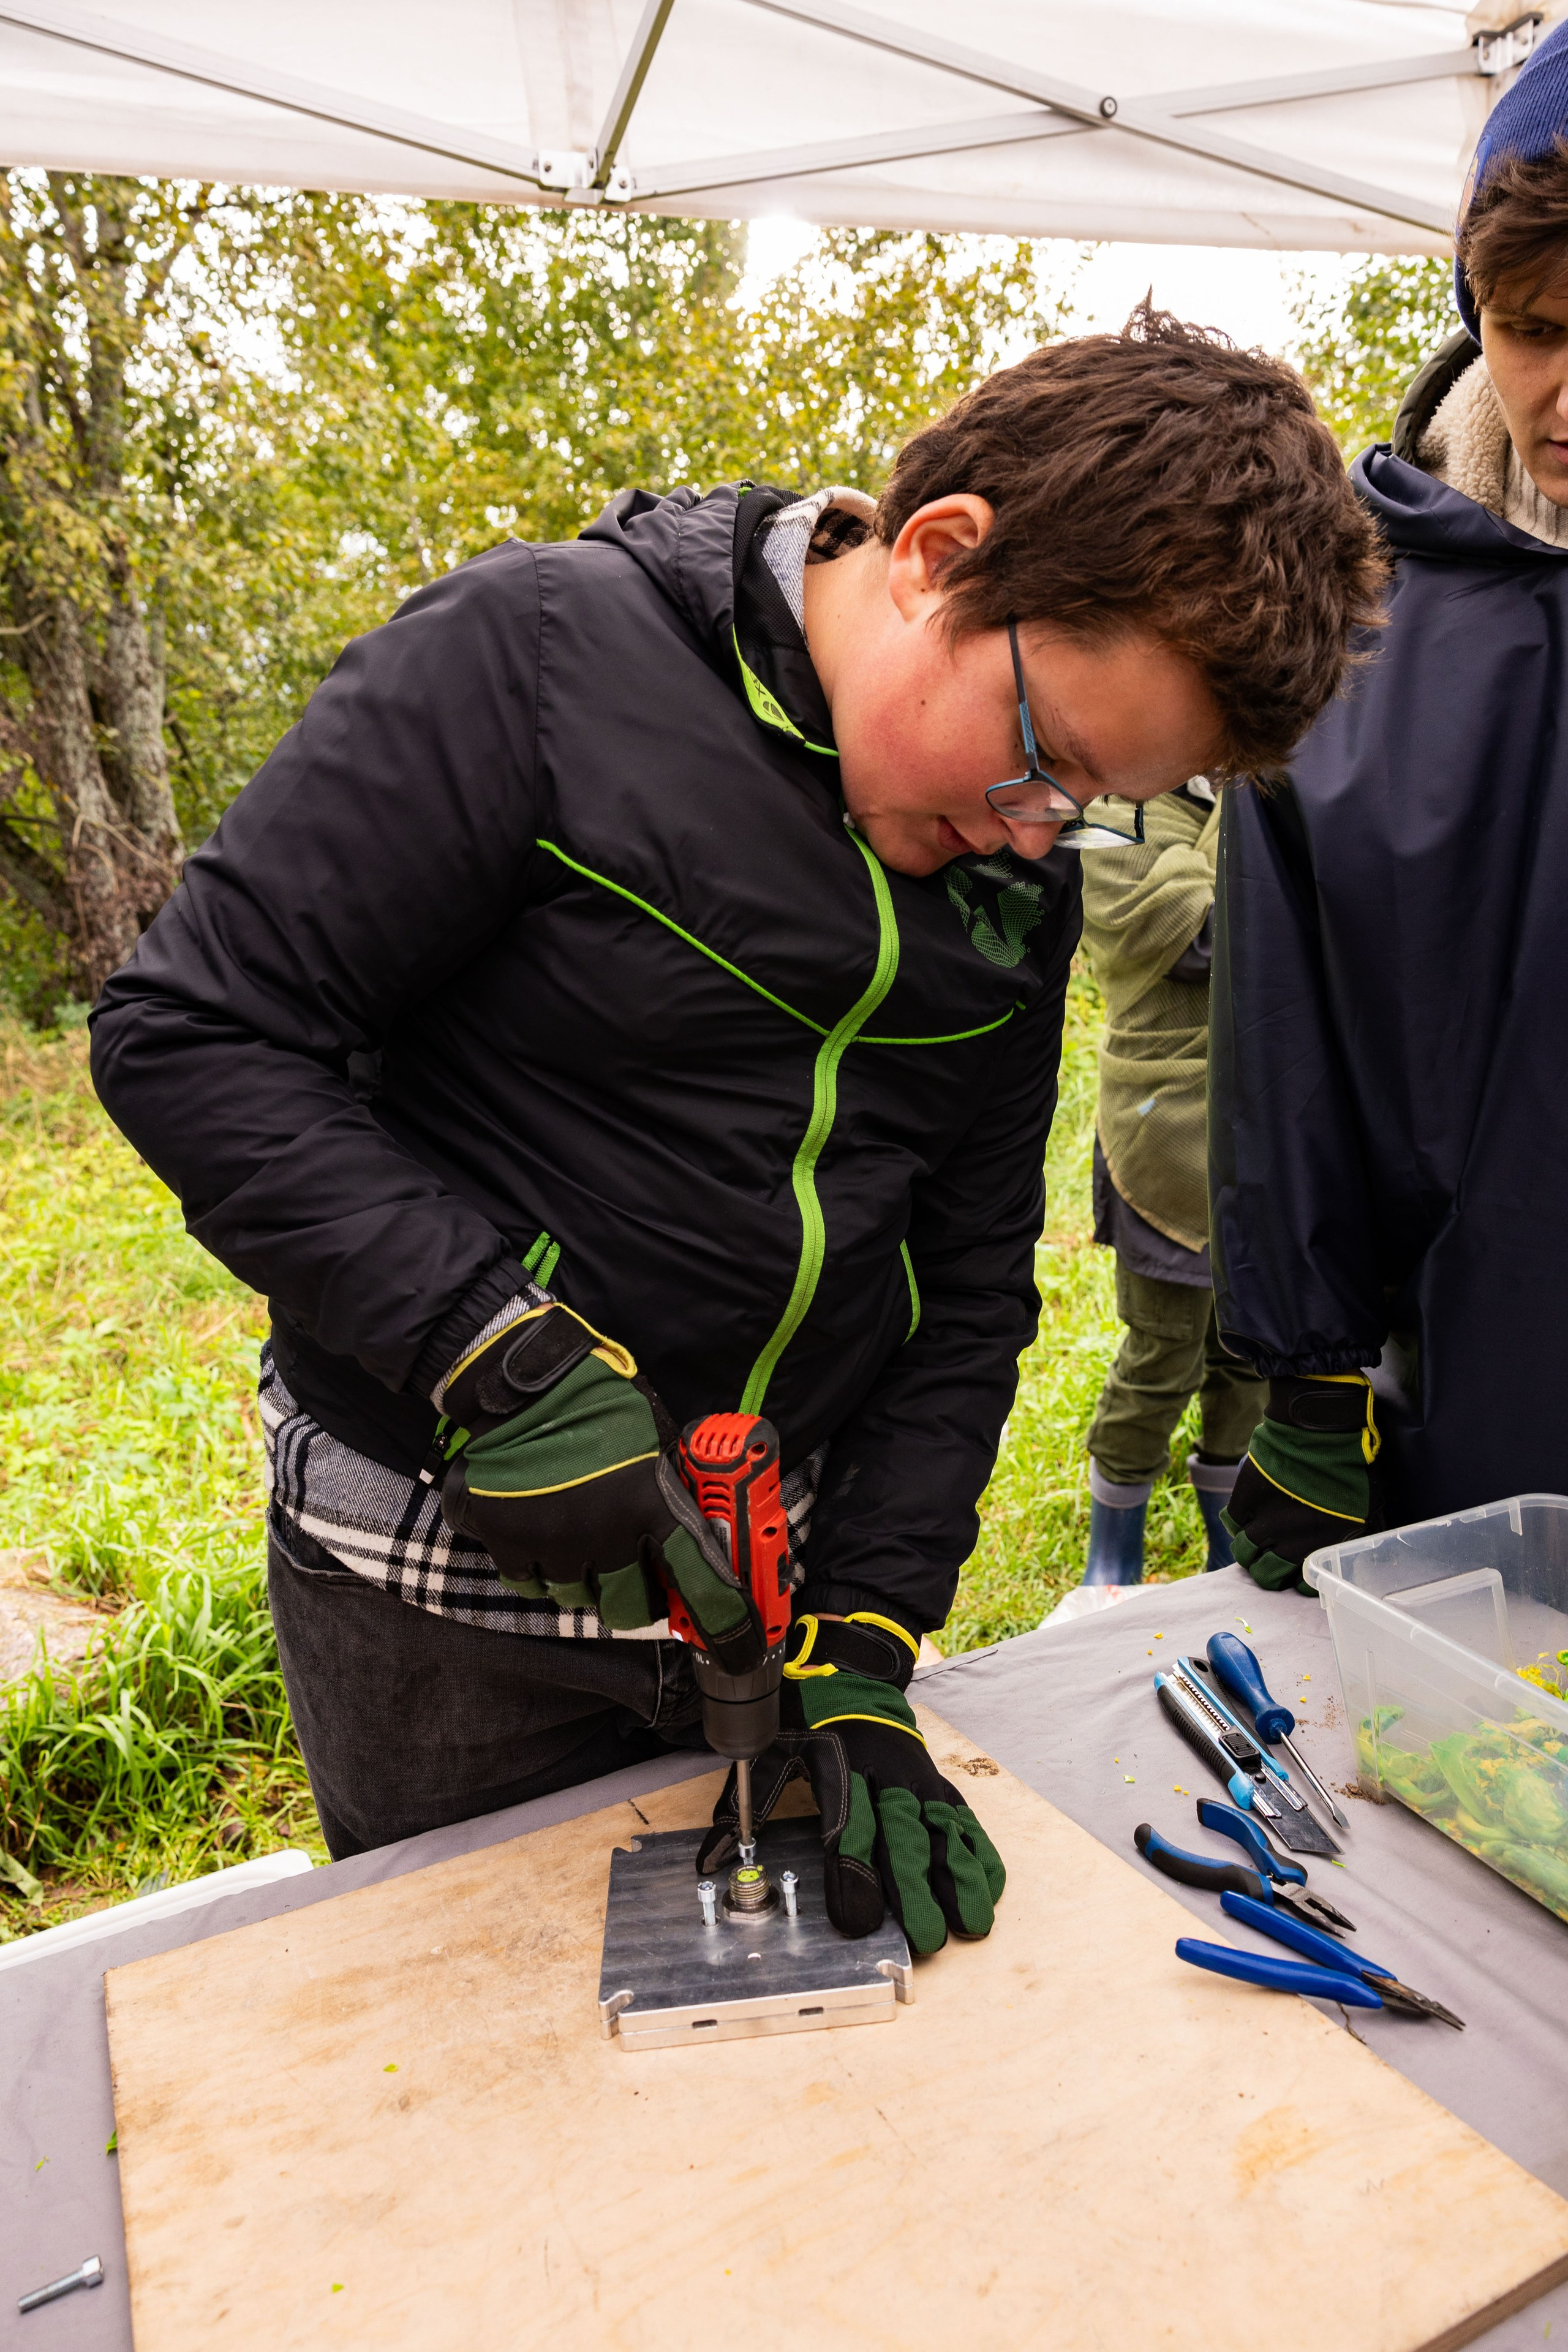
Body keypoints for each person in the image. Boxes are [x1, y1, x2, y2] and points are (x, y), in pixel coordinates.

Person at [91, 309, 1380, 1954]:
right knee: (465, 2054)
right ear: (938, 555)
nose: (1032, 829)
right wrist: (488, 1350)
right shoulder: (536, 656)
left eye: (1089, 805)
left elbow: (968, 1287)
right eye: (1042, 756)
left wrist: (869, 1634)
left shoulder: (1014, 879)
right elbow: (195, 1031)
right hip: (451, 1586)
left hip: (780, 1571)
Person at [1213, 37, 1568, 1594]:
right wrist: (1302, 1371)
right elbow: (1279, 1015)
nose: (1567, 389)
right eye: (1535, 329)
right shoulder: (1359, 629)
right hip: (1480, 1404)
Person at [1078, 779, 1265, 1585]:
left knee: (1249, 1357)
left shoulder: (1243, 812)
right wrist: (1252, 791)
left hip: (1258, 1136)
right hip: (1162, 1137)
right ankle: (1110, 1558)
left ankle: (1232, 1541)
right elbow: (1212, 933)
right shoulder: (1118, 817)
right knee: (1162, 1355)